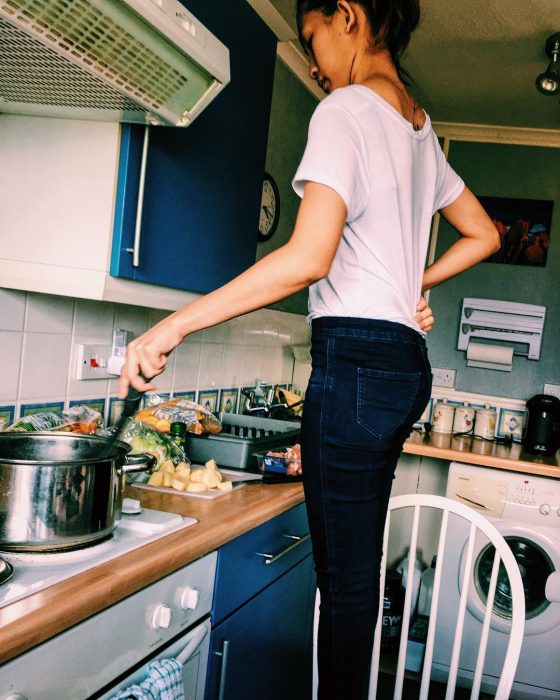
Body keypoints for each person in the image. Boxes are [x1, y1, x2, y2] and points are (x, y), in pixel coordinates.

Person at [119, 1, 500, 697]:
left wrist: (171, 326)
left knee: (347, 587)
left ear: (346, 16)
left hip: (356, 360)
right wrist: (409, 280)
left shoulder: (347, 110)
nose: (315, 64)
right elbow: (484, 234)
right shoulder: (420, 128)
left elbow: (307, 258)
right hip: (398, 365)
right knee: (355, 569)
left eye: (311, 39)